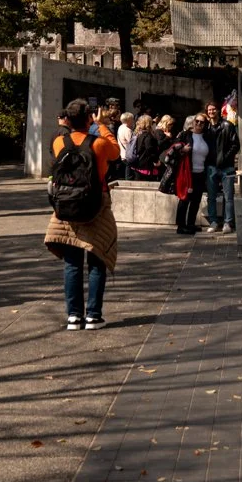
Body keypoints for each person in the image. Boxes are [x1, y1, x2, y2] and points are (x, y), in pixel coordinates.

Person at [45, 99, 120, 329]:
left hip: (66, 205)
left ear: (67, 119)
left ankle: (74, 316)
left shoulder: (59, 142)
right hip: (96, 204)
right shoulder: (97, 144)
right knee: (97, 260)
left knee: (72, 263)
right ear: (89, 118)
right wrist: (102, 125)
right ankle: (93, 315)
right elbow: (116, 152)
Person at [173, 113, 213, 234]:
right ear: (193, 122)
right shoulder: (185, 135)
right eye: (197, 121)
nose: (199, 124)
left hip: (200, 173)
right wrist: (182, 150)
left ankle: (190, 223)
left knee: (196, 200)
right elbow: (173, 149)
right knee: (184, 199)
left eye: (202, 122)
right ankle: (181, 225)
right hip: (187, 173)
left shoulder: (207, 137)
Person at [206, 102, 239, 235]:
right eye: (209, 110)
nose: (211, 111)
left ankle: (228, 222)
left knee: (228, 196)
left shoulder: (228, 125)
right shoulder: (206, 127)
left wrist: (225, 158)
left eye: (214, 109)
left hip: (227, 167)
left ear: (219, 110)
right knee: (211, 196)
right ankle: (213, 222)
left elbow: (235, 145)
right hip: (211, 166)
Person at [130, 114, 161, 180]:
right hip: (145, 166)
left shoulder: (137, 134)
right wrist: (156, 161)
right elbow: (150, 150)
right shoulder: (148, 136)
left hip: (137, 164)